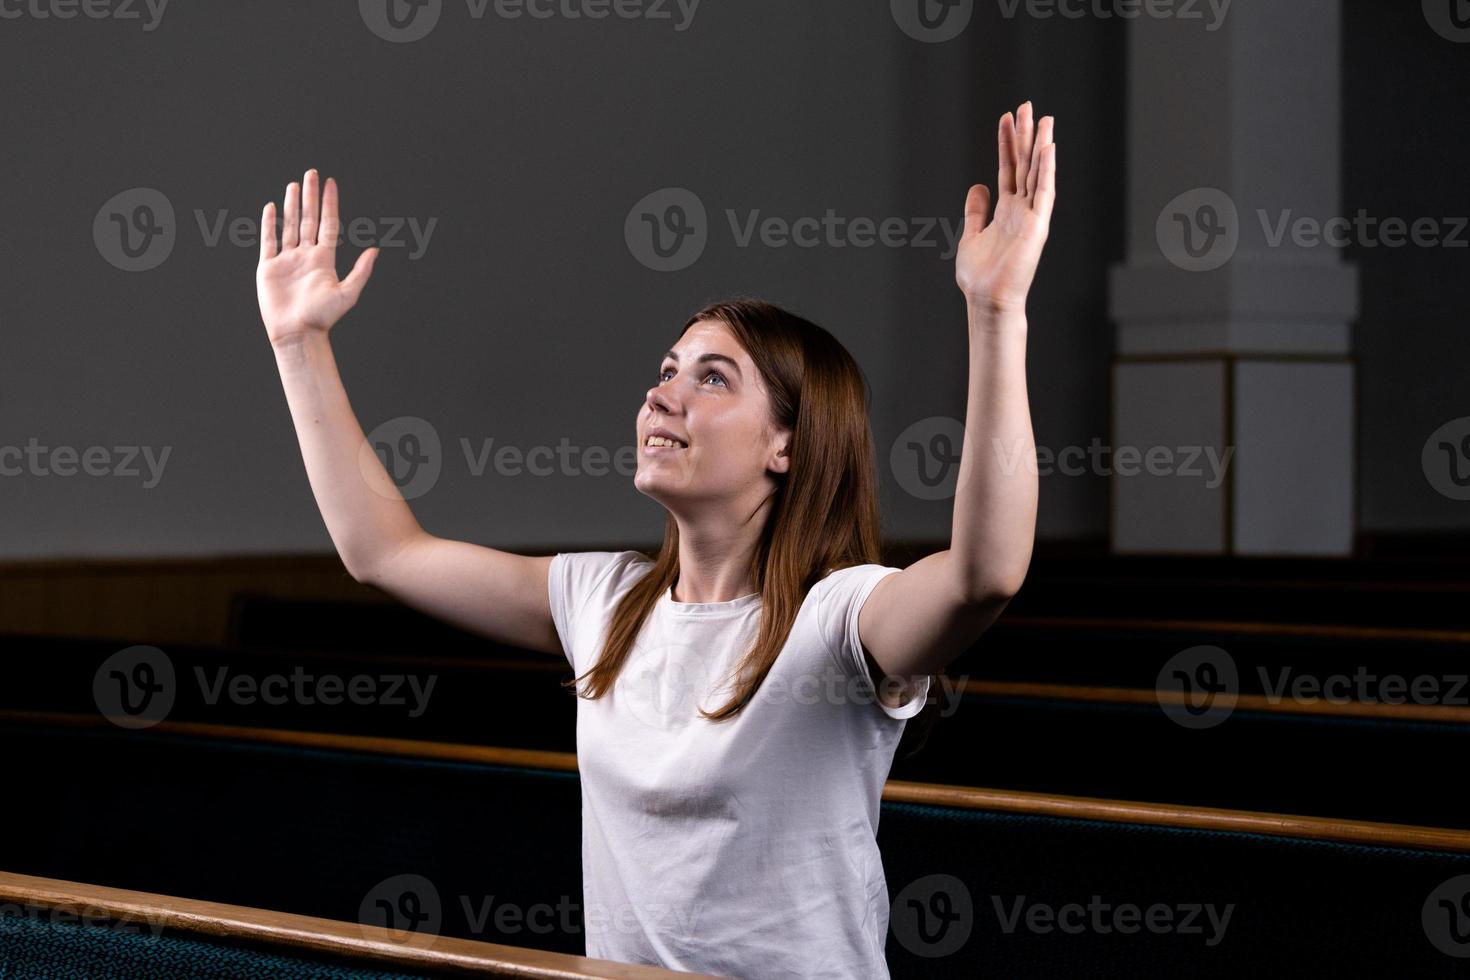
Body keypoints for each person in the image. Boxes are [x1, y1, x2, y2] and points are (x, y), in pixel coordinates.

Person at [255, 100, 1054, 978]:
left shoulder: (838, 621)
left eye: (713, 379)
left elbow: (985, 574)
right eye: (667, 371)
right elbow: (385, 553)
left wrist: (995, 312)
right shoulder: (603, 601)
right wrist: (300, 344)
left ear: (789, 444)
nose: (662, 396)